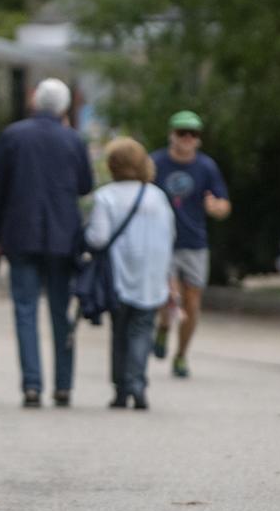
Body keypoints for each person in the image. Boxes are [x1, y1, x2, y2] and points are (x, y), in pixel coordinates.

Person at [0, 77, 93, 408]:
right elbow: (86, 185)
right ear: (63, 107)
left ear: (34, 102)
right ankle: (63, 385)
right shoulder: (74, 140)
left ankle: (32, 385)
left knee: (26, 310)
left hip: (20, 235)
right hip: (63, 237)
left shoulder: (13, 135)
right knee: (61, 311)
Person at [85, 138, 174, 410]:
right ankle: (138, 384)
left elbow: (98, 239)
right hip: (151, 277)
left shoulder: (106, 196)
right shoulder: (157, 196)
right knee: (141, 331)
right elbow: (171, 235)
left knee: (120, 331)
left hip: (118, 277)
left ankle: (121, 388)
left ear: (113, 165)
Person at [149, 111, 231, 380]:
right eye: (182, 132)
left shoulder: (206, 167)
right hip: (163, 242)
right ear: (172, 135)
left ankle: (181, 355)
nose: (187, 138)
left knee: (192, 302)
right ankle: (163, 326)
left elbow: (223, 205)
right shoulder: (156, 162)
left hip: (194, 242)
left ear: (198, 139)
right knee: (168, 295)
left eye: (192, 134)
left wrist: (215, 207)